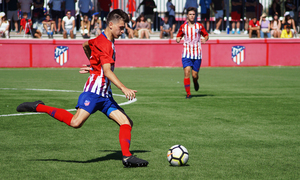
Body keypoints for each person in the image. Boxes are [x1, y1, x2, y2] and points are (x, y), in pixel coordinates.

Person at [16, 9, 149, 168]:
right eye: (121, 28)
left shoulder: (104, 39)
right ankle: (39, 106)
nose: (123, 31)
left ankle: (127, 157)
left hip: (105, 96)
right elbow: (106, 71)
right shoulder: (105, 43)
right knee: (75, 123)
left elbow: (85, 44)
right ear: (111, 24)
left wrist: (93, 65)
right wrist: (123, 88)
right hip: (93, 92)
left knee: (126, 123)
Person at [176, 7, 209, 99]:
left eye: (193, 14)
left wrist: (205, 39)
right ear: (187, 15)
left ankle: (195, 81)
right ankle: (188, 94)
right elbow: (178, 36)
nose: (192, 16)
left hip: (197, 54)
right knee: (187, 72)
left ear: (195, 15)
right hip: (186, 53)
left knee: (194, 75)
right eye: (190, 14)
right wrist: (178, 39)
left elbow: (206, 35)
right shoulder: (183, 27)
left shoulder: (199, 26)